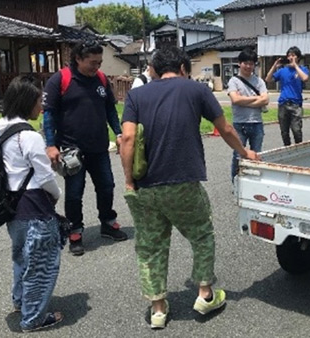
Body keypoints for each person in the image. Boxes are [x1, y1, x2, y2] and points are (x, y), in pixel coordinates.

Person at [120, 47, 259, 329]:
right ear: (183, 68)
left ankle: (158, 309)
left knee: (150, 246)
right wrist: (246, 154)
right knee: (201, 234)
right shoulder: (196, 91)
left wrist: (128, 180)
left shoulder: (136, 95)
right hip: (184, 181)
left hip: (146, 185)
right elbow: (226, 129)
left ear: (156, 69)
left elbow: (127, 139)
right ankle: (205, 294)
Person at [42, 40, 128, 256]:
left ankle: (108, 222)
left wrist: (118, 133)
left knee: (107, 186)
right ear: (78, 58)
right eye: (92, 62)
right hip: (72, 150)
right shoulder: (60, 80)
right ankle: (75, 232)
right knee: (74, 194)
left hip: (99, 147)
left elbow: (110, 109)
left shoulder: (100, 79)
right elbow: (49, 114)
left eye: (99, 62)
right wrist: (51, 145)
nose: (97, 67)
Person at [0, 76, 63, 332]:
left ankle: (20, 301)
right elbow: (45, 177)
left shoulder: (1, 127)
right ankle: (33, 318)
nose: (42, 107)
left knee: (21, 256)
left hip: (11, 206)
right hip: (35, 204)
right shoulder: (30, 137)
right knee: (41, 265)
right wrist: (56, 196)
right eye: (39, 100)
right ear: (27, 102)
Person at [227, 48, 269, 181]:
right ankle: (236, 181)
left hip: (257, 123)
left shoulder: (259, 81)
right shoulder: (234, 81)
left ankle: (254, 181)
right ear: (239, 63)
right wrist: (255, 99)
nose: (249, 66)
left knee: (256, 154)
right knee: (238, 155)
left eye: (251, 63)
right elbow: (235, 100)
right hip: (240, 123)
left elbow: (266, 99)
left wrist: (244, 100)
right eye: (246, 63)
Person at [264, 46, 309, 146]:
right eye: (289, 56)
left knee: (296, 129)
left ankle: (299, 148)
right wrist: (274, 66)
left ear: (298, 57)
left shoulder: (303, 69)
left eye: (293, 55)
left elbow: (305, 78)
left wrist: (295, 66)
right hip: (283, 103)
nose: (290, 57)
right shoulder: (283, 70)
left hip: (296, 104)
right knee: (284, 131)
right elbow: (268, 79)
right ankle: (287, 149)